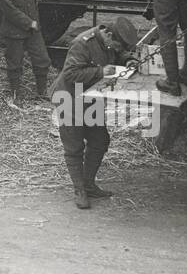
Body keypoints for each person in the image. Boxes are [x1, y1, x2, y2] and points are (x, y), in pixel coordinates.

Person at [50, 16, 139, 209]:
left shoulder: (109, 41)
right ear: (107, 34)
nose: (116, 49)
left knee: (100, 140)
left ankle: (89, 184)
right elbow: (71, 74)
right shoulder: (82, 44)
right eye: (115, 45)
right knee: (74, 146)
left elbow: (120, 52)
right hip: (69, 98)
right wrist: (101, 72)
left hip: (91, 97)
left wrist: (129, 59)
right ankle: (79, 189)